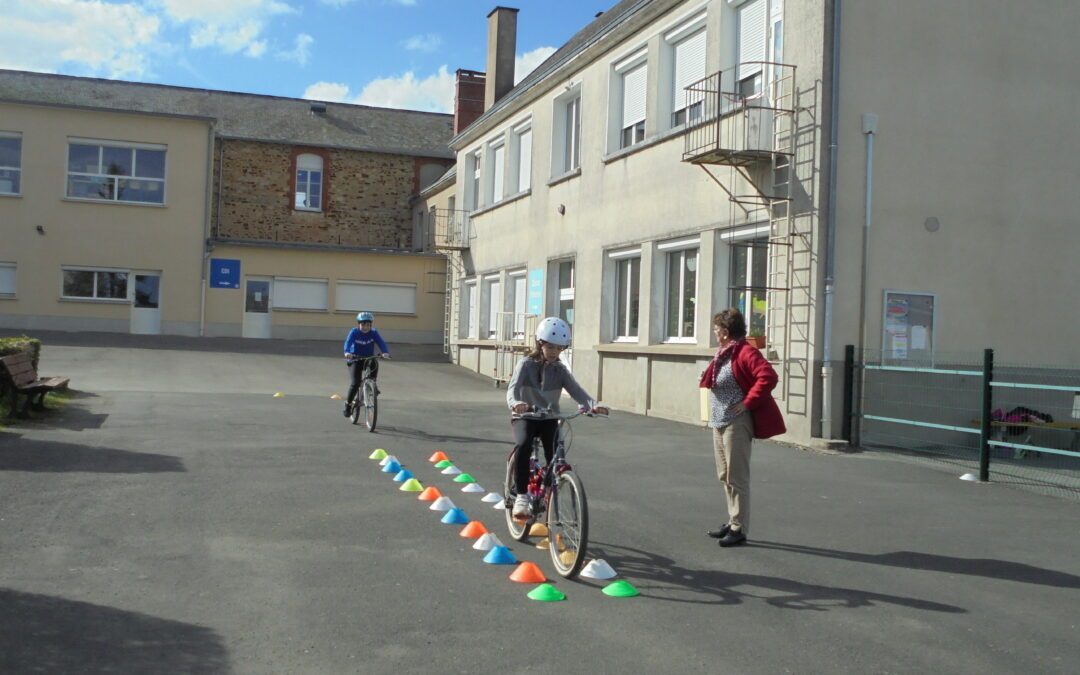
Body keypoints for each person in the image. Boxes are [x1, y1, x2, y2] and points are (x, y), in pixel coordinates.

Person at [506, 316, 608, 520]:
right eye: (551, 347)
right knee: (524, 443)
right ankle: (522, 495)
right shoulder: (526, 365)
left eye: (560, 348)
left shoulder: (560, 370)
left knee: (555, 451)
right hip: (525, 416)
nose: (554, 352)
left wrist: (593, 405)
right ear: (540, 343)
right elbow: (513, 390)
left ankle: (548, 489)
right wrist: (516, 403)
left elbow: (577, 391)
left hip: (549, 418)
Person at [698, 308, 785, 547]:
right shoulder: (725, 351)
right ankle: (732, 519)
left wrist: (747, 402)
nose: (714, 333)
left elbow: (768, 376)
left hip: (736, 422)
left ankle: (739, 527)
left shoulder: (745, 351)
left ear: (726, 332)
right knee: (724, 475)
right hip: (719, 420)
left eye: (717, 329)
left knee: (737, 476)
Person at [343, 311, 390, 416]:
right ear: (359, 324)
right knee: (355, 383)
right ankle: (348, 405)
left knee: (374, 362)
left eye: (368, 325)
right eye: (363, 324)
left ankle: (373, 384)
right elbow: (348, 342)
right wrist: (347, 352)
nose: (365, 327)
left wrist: (385, 352)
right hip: (355, 359)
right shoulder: (354, 332)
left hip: (368, 358)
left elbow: (381, 342)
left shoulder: (373, 332)